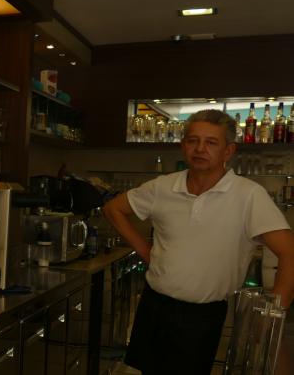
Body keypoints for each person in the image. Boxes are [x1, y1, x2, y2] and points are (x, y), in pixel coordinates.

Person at [103, 109, 294, 375]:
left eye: (211, 142)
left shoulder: (249, 195)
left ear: (228, 151)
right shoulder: (162, 187)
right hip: (154, 304)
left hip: (202, 315)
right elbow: (113, 209)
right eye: (193, 141)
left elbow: (289, 253)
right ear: (183, 146)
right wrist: (146, 251)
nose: (200, 148)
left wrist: (275, 315)